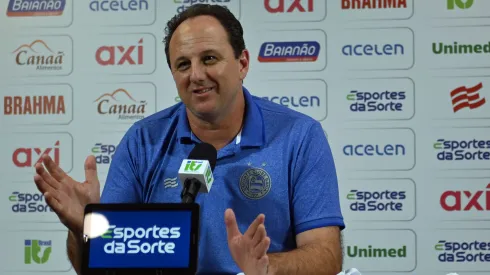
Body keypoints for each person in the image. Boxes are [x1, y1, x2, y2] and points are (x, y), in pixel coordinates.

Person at [33, 4, 345, 275]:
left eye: (209, 59)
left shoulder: (299, 136)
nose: (195, 75)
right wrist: (83, 230)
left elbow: (326, 256)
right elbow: (101, 268)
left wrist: (266, 267)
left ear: (243, 64)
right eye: (183, 64)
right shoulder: (143, 141)